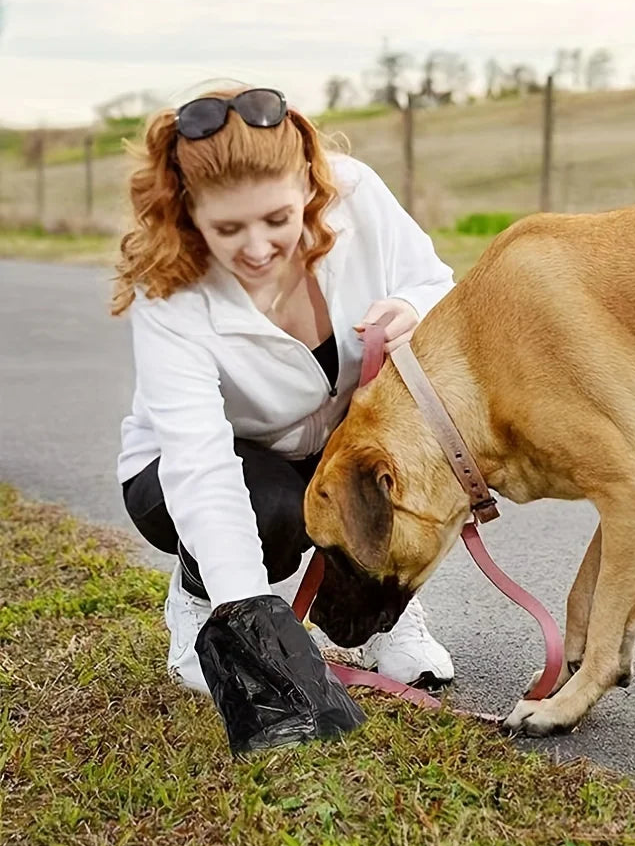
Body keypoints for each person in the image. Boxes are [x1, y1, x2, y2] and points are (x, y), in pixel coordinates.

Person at [111, 85, 456, 701]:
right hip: (200, 468)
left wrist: (411, 306)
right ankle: (197, 601)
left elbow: (432, 281)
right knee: (274, 508)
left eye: (278, 219)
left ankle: (383, 624)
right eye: (227, 228)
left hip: (334, 441)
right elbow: (200, 464)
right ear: (189, 211)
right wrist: (249, 619)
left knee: (388, 474)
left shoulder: (356, 194)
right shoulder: (167, 292)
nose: (258, 246)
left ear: (308, 186)